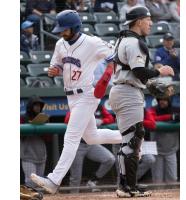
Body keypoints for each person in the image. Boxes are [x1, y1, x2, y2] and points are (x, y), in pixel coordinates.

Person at [30, 9, 122, 194]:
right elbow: (55, 64)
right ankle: (130, 136)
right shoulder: (60, 44)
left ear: (75, 27)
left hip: (87, 95)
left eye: (64, 29)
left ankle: (53, 180)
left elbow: (116, 55)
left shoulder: (92, 42)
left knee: (70, 137)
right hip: (70, 96)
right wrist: (54, 70)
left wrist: (108, 73)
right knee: (91, 137)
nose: (61, 32)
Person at [109, 5, 174, 197]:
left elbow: (136, 73)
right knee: (133, 140)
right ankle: (127, 187)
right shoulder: (134, 42)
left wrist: (150, 80)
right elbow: (139, 72)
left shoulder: (124, 39)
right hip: (128, 91)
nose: (151, 23)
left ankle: (127, 185)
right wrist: (159, 72)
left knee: (130, 139)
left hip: (123, 90)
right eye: (148, 19)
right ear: (138, 21)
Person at [65, 104, 115, 193]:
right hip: (77, 145)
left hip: (91, 144)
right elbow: (67, 120)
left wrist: (102, 121)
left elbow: (111, 118)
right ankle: (73, 196)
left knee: (109, 159)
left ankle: (93, 181)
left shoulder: (98, 106)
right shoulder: (78, 105)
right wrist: (85, 120)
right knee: (76, 177)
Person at [147, 96, 180, 183]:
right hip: (156, 150)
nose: (162, 102)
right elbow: (151, 119)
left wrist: (174, 117)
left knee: (172, 179)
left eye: (165, 100)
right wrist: (170, 117)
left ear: (169, 101)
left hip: (171, 149)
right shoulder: (153, 109)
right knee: (157, 180)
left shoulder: (176, 110)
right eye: (160, 99)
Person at [20, 95, 47, 188]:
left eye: (39, 105)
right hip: (28, 156)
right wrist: (30, 127)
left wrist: (43, 127)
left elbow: (49, 139)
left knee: (39, 183)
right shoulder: (22, 118)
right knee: (30, 182)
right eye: (35, 105)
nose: (38, 107)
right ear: (30, 106)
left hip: (41, 155)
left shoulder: (43, 118)